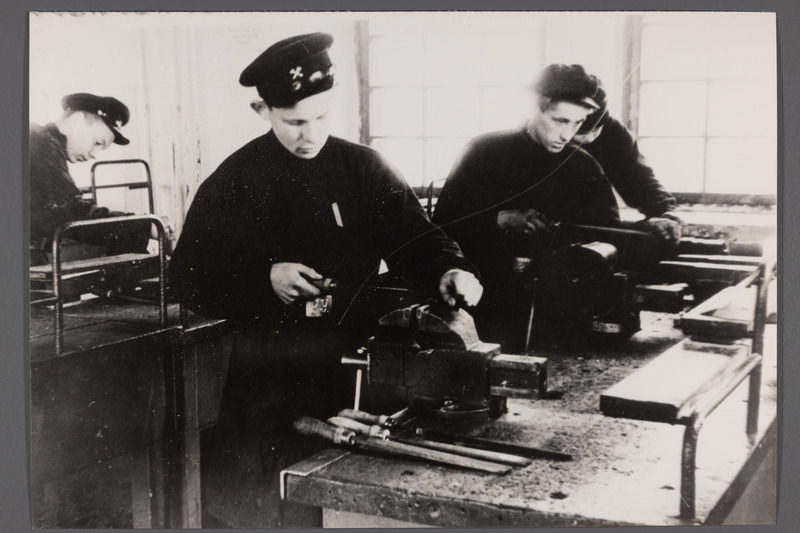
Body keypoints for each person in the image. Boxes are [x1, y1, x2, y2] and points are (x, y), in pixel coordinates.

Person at [168, 32, 482, 528]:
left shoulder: (363, 168)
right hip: (268, 379)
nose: (309, 134)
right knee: (271, 508)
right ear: (261, 109)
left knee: (354, 502)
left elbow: (418, 239)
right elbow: (187, 281)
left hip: (355, 367)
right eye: (293, 122)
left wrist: (451, 269)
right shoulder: (236, 181)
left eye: (321, 117)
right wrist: (263, 278)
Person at [432, 64, 630, 352]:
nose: (567, 134)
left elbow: (610, 237)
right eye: (560, 120)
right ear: (536, 107)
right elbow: (441, 227)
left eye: (577, 123)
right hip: (483, 304)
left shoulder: (584, 166)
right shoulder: (484, 152)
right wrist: (498, 220)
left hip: (558, 313)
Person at [29, 93, 152, 266]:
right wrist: (142, 226)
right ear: (75, 122)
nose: (95, 155)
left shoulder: (39, 139)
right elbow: (70, 212)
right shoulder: (41, 144)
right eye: (97, 142)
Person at [571, 83, 682, 245]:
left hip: (598, 227)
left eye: (595, 131)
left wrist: (665, 212)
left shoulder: (613, 132)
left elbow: (638, 177)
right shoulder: (549, 135)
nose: (588, 139)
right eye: (581, 132)